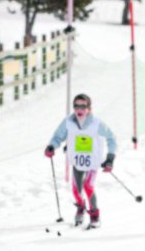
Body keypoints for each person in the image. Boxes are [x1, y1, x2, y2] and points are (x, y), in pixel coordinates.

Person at [44, 94, 117, 229]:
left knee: (88, 187)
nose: (79, 109)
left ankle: (94, 215)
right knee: (76, 190)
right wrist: (51, 146)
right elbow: (58, 136)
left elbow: (111, 139)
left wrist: (110, 158)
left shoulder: (97, 124)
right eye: (76, 106)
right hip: (77, 162)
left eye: (83, 106)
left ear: (89, 108)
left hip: (92, 163)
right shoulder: (68, 122)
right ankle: (81, 208)